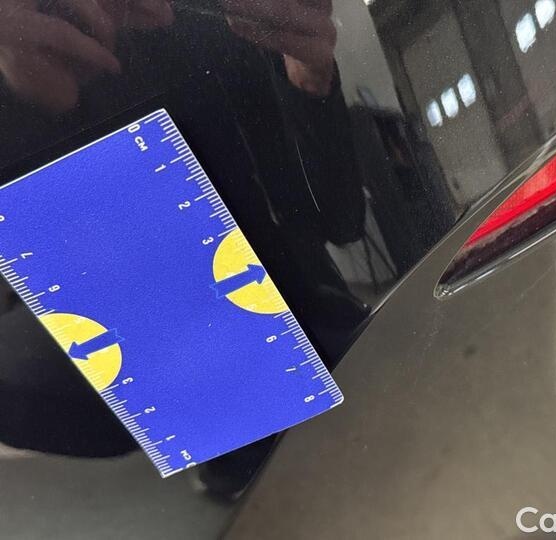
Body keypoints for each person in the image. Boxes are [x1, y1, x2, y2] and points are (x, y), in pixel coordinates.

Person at [0, 0, 367, 498]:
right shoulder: (35, 48)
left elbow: (343, 221)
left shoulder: (229, 31)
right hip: (206, 434)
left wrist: (312, 79)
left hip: (335, 354)